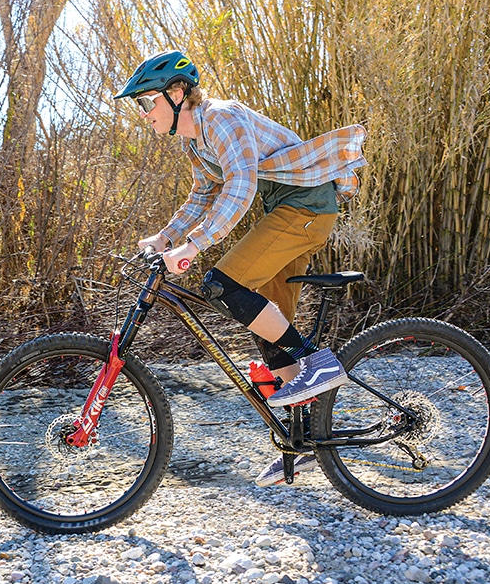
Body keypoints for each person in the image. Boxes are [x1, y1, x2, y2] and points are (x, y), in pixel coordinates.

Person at [114, 50, 367, 487]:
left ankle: (316, 364)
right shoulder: (193, 139)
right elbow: (202, 196)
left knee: (221, 285)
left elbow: (241, 184)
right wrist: (166, 237)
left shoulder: (222, 118)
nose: (143, 112)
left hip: (305, 207)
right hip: (285, 209)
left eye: (146, 101)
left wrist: (195, 245)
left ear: (176, 94)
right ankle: (302, 439)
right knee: (267, 322)